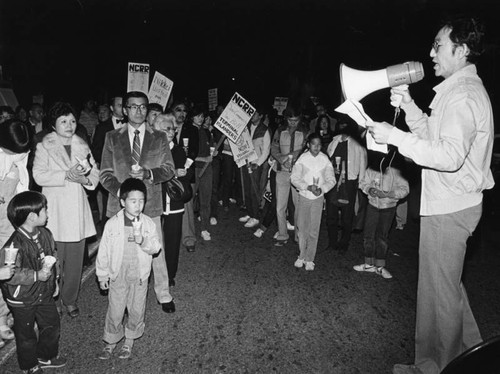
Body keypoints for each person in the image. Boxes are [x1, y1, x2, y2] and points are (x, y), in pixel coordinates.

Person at [368, 17, 494, 374]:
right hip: (455, 204)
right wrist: (407, 106)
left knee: (438, 297)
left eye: (438, 45)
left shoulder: (463, 95)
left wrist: (394, 136)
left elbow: (447, 157)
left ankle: (432, 368)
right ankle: (474, 357)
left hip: (449, 207)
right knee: (448, 292)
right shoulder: (457, 91)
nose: (431, 53)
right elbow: (434, 138)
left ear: (462, 49)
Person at [100, 91, 176, 313]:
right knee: (121, 253)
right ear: (125, 110)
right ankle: (120, 296)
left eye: (143, 107)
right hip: (119, 206)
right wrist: (123, 193)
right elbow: (105, 173)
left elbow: (169, 169)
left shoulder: (159, 137)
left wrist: (148, 174)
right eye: (133, 107)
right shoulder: (112, 137)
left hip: (150, 204)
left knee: (155, 251)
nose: (139, 111)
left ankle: (163, 294)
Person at [33, 102, 99, 319]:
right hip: (55, 211)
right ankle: (53, 298)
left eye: (72, 121)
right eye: (64, 121)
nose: (69, 125)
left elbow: (95, 174)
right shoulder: (44, 146)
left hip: (77, 209)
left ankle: (70, 299)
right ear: (53, 124)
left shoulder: (82, 144)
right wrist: (65, 176)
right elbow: (39, 176)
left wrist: (85, 179)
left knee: (75, 261)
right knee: (54, 260)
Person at [1, 191, 67, 373]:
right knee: (26, 335)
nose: (47, 213)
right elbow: (10, 274)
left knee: (52, 324)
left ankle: (45, 356)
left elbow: (53, 257)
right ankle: (29, 366)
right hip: (22, 298)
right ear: (31, 217)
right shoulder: (14, 245)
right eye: (44, 210)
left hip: (43, 292)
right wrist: (37, 276)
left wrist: (54, 281)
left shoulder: (45, 233)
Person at [96, 178, 161, 360]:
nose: (138, 205)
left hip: (139, 275)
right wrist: (102, 274)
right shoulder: (113, 224)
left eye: (141, 201)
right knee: (115, 308)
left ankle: (130, 339)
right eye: (133, 201)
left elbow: (156, 247)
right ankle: (111, 339)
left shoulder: (148, 223)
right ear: (123, 202)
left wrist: (143, 240)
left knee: (136, 308)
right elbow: (104, 251)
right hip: (118, 273)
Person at [0, 119, 31, 349]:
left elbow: (22, 186)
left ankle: (6, 311)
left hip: (10, 221)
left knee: (9, 267)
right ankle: (0, 320)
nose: (19, 155)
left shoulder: (20, 155)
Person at [354, 151, 409, 279]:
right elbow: (363, 182)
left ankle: (379, 266)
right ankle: (369, 264)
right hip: (373, 205)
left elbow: (405, 189)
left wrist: (390, 194)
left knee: (382, 237)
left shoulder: (397, 171)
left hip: (388, 207)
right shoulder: (372, 168)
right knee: (368, 235)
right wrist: (369, 189)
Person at [291, 133, 335, 271]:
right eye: (313, 144)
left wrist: (322, 189)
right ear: (308, 144)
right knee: (302, 228)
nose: (316, 147)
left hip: (317, 198)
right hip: (304, 197)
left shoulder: (325, 159)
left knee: (314, 229)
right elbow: (294, 178)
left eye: (319, 144)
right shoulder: (302, 159)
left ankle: (310, 258)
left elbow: (331, 179)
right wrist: (307, 187)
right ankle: (301, 255)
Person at [153, 114, 188, 287]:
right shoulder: (151, 149)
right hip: (155, 201)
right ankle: (152, 271)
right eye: (166, 128)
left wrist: (183, 173)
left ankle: (170, 274)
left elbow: (185, 174)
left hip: (174, 202)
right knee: (153, 240)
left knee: (173, 240)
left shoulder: (179, 150)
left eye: (172, 128)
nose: (171, 132)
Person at [325, 118, 367, 252]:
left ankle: (344, 243)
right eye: (341, 124)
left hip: (349, 182)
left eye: (345, 124)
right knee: (331, 213)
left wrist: (361, 183)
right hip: (332, 181)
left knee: (346, 215)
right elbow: (327, 159)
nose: (343, 126)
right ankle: (332, 241)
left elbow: (363, 164)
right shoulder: (334, 141)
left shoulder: (357, 144)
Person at [271, 105, 309, 246]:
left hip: (298, 173)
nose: (293, 123)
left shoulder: (305, 131)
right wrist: (282, 159)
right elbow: (273, 148)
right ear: (286, 119)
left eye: (296, 120)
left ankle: (299, 236)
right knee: (280, 206)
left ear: (299, 119)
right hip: (282, 171)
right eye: (290, 120)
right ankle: (282, 234)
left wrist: (291, 156)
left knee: (298, 205)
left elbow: (307, 149)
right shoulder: (280, 130)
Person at [172, 100, 199, 252]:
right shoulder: (165, 127)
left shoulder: (192, 130)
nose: (182, 113)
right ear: (172, 112)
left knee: (187, 206)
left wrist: (185, 167)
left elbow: (194, 150)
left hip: (186, 174)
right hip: (168, 172)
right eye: (178, 110)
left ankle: (189, 239)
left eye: (184, 111)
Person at [239, 106, 271, 229]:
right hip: (245, 162)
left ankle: (256, 217)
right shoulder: (246, 128)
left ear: (261, 116)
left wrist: (257, 163)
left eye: (255, 114)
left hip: (256, 165)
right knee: (246, 189)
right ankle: (250, 213)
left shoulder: (265, 130)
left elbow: (266, 151)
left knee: (254, 190)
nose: (252, 116)